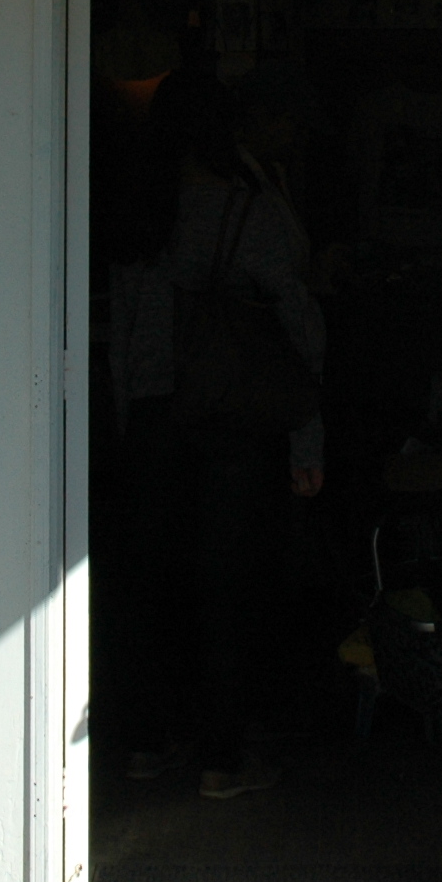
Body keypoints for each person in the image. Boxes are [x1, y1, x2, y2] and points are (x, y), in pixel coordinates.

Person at [108, 70, 325, 800]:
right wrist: (307, 441)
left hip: (152, 417)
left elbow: (122, 334)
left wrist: (125, 423)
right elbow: (297, 326)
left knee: (152, 583)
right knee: (227, 589)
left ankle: (146, 741)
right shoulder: (248, 210)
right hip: (235, 418)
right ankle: (221, 759)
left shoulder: (142, 214)